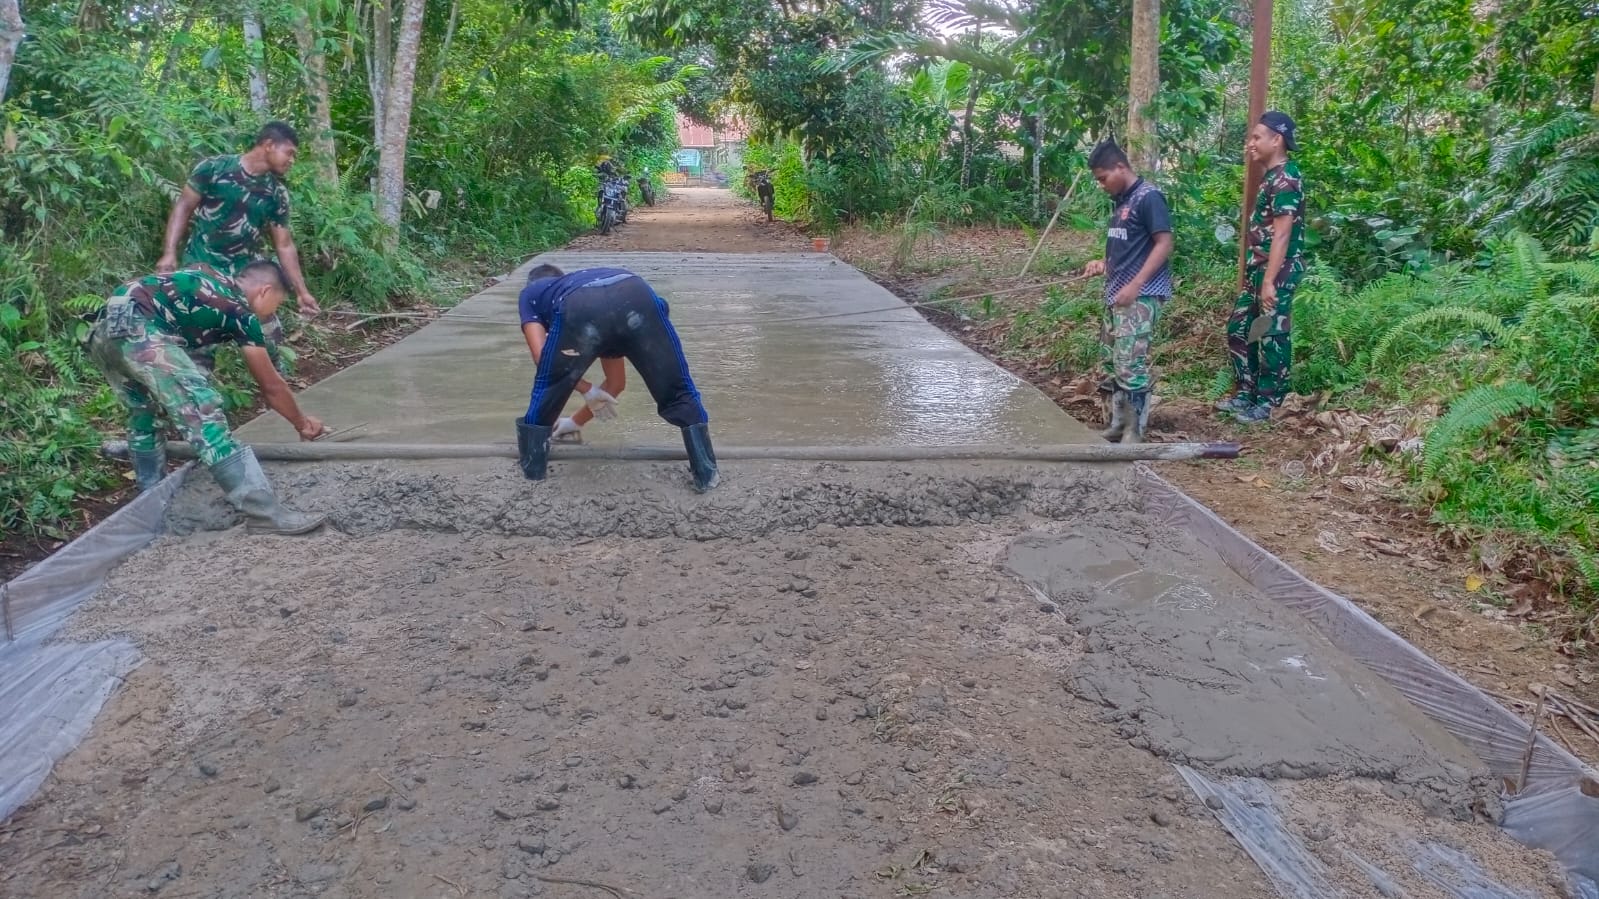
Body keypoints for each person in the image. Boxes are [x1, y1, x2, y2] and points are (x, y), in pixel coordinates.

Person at [88, 261, 328, 535]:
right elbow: (271, 386)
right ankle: (265, 514)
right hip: (141, 330)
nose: (272, 313)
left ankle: (150, 502)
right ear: (265, 291)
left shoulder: (207, 278)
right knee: (204, 411)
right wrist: (302, 423)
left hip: (105, 328)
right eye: (277, 303)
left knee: (145, 412)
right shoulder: (239, 310)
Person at [515, 264, 718, 491]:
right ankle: (707, 475)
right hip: (635, 293)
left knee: (547, 388)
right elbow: (615, 383)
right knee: (678, 391)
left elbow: (541, 357)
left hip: (582, 304)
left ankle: (532, 476)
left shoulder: (531, 293)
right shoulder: (577, 283)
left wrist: (585, 389)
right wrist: (574, 423)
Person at [157, 121, 321, 319]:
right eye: (289, 153)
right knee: (201, 326)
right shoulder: (214, 168)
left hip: (245, 276)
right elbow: (183, 208)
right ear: (269, 145)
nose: (292, 160)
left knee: (263, 330)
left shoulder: (277, 194)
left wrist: (302, 293)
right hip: (201, 265)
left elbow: (284, 245)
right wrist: (169, 253)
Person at [1080, 140, 1174, 444]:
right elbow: (1129, 249)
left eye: (1103, 178)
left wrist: (1136, 285)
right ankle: (1119, 423)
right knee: (1113, 362)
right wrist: (1103, 263)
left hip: (1140, 296)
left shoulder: (1149, 197)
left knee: (1131, 364)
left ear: (1120, 167)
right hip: (1116, 295)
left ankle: (1135, 431)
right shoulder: (1122, 201)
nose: (1101, 185)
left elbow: (1164, 244)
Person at [1221, 111, 1306, 423]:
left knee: (1271, 332)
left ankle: (1271, 402)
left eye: (1257, 137)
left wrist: (1269, 281)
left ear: (1277, 139)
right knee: (1240, 328)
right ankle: (1247, 393)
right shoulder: (1270, 177)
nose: (1251, 143)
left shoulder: (1286, 178)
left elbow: (1282, 234)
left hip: (1278, 270)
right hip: (1259, 269)